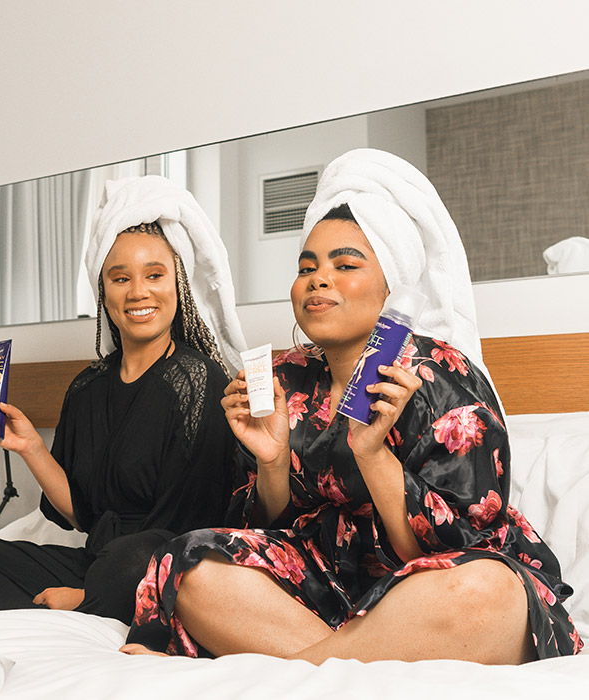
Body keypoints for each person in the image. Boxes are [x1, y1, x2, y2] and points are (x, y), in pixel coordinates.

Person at [121, 150, 583, 662]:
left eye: (345, 265)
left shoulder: (441, 376)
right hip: (323, 593)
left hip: (427, 592)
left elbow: (448, 551)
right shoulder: (286, 377)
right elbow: (263, 533)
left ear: (391, 287)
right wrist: (271, 461)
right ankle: (348, 664)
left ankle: (307, 667)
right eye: (307, 267)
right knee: (191, 564)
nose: (319, 279)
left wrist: (371, 453)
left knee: (484, 591)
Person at [0, 175, 246, 624]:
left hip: (160, 569)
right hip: (94, 562)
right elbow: (82, 517)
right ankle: (78, 597)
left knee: (140, 553)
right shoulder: (87, 387)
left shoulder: (198, 380)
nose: (138, 292)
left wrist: (88, 592)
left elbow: (192, 532)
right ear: (103, 291)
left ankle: (85, 602)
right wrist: (30, 447)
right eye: (120, 278)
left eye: (154, 275)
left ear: (178, 284)